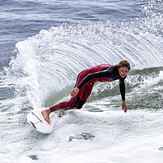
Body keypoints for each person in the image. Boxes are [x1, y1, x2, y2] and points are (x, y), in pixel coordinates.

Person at [42, 60, 130, 124]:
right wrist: (78, 88)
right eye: (122, 70)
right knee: (74, 103)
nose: (123, 73)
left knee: (79, 106)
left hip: (91, 82)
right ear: (118, 68)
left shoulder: (122, 76)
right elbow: (91, 75)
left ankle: (61, 110)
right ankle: (48, 111)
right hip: (85, 77)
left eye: (125, 71)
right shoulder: (110, 72)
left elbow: (121, 84)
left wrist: (123, 100)